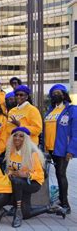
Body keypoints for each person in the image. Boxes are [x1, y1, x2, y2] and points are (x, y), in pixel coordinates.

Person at [5, 127, 67, 227]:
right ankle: (49, 208)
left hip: (33, 183)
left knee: (16, 181)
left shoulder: (32, 154)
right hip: (20, 184)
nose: (17, 138)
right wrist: (10, 173)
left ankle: (18, 213)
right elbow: (10, 169)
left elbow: (40, 175)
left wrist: (26, 175)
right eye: (15, 135)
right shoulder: (11, 152)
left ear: (26, 139)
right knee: (27, 214)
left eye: (21, 136)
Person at [44, 84, 76, 214]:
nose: (55, 94)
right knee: (56, 174)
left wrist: (72, 150)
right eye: (53, 93)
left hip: (62, 149)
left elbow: (75, 131)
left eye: (58, 92)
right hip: (50, 149)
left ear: (64, 94)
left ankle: (65, 204)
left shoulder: (71, 110)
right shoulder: (50, 111)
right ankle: (60, 199)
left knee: (61, 174)